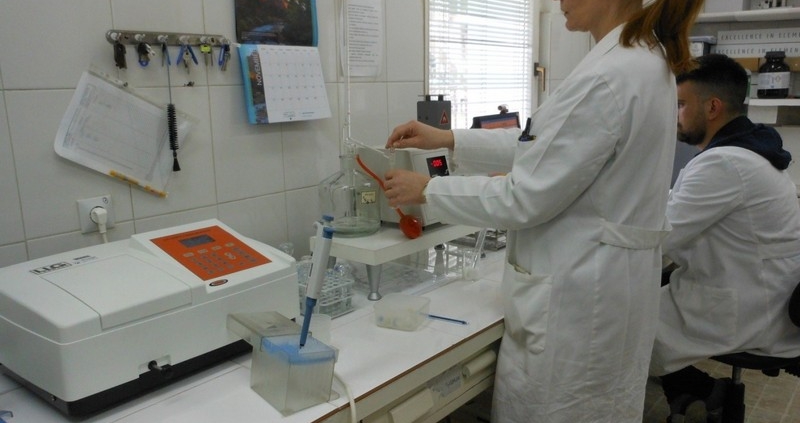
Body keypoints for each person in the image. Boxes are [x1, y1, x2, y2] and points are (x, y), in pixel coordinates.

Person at [382, 0, 704, 421]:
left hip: (579, 298)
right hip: (608, 286)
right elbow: (543, 144)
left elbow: (522, 197)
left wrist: (429, 189)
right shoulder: (643, 60)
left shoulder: (609, 75)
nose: (559, 2)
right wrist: (449, 138)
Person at [650, 53, 800, 421]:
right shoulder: (752, 147)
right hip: (765, 291)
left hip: (746, 306)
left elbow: (659, 239)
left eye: (680, 104)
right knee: (644, 297)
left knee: (612, 325)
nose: (674, 114)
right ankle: (695, 391)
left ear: (712, 107)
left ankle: (699, 390)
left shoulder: (723, 163)